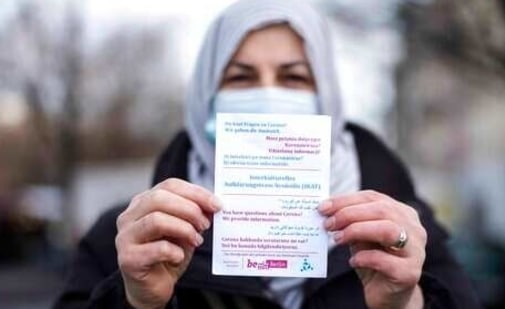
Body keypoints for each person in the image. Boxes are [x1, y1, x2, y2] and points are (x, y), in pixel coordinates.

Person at [53, 1, 481, 308]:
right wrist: (136, 301)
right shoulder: (129, 237)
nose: (268, 93)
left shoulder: (405, 230)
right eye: (242, 77)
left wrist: (406, 302)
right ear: (207, 98)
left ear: (325, 96)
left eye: (293, 77)